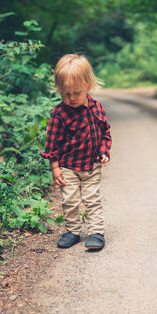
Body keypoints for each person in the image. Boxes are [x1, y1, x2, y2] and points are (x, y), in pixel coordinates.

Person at [40, 54, 112, 251]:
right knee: (69, 199)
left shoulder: (97, 108)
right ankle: (72, 231)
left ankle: (96, 232)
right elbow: (52, 144)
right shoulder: (59, 114)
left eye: (76, 93)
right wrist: (55, 168)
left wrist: (104, 151)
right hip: (68, 166)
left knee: (92, 198)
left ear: (88, 85)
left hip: (91, 164)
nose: (71, 98)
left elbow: (105, 133)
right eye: (66, 94)